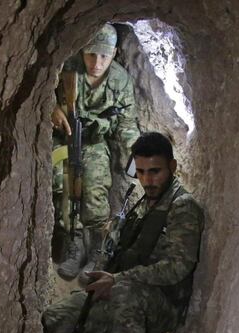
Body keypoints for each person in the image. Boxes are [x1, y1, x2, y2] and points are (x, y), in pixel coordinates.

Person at [42, 132, 204, 333]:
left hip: (159, 306)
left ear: (173, 167)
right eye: (141, 172)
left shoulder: (182, 207)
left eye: (154, 171)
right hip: (124, 304)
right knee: (54, 319)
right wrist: (103, 273)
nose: (148, 180)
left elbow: (177, 267)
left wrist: (117, 280)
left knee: (127, 290)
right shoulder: (142, 204)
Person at [51, 23, 141, 281]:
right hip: (65, 139)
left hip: (94, 142)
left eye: (104, 55)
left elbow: (125, 123)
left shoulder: (119, 81)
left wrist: (136, 148)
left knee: (95, 190)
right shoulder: (67, 68)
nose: (97, 62)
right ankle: (74, 245)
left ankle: (97, 252)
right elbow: (39, 89)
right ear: (82, 52)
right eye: (91, 54)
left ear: (113, 54)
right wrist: (51, 107)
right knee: (63, 187)